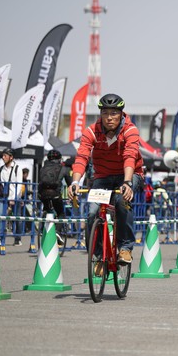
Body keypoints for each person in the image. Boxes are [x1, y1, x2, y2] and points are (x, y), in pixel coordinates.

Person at [67, 93, 144, 265]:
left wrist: (127, 182)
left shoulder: (130, 130)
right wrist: (75, 182)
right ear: (100, 114)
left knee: (121, 202)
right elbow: (81, 157)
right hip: (103, 177)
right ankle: (97, 256)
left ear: (121, 114)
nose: (109, 118)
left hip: (130, 175)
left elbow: (130, 156)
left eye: (114, 113)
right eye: (105, 113)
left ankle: (125, 248)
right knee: (92, 213)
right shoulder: (91, 131)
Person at [38, 150, 72, 245]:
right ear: (60, 159)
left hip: (43, 194)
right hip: (55, 194)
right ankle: (57, 232)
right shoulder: (63, 168)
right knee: (61, 213)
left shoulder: (43, 168)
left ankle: (42, 230)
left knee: (48, 210)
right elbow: (70, 183)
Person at [0, 148, 23, 246]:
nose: (3, 157)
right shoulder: (0, 168)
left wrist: (14, 198)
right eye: (3, 155)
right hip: (3, 196)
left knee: (17, 218)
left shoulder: (17, 168)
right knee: (0, 215)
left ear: (11, 157)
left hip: (15, 196)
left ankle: (17, 238)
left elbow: (19, 185)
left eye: (5, 155)